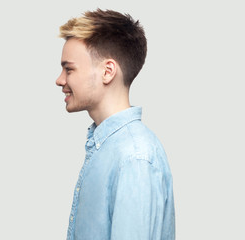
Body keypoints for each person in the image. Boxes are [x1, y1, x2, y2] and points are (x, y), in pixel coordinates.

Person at [55, 9, 175, 240]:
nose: (60, 80)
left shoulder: (134, 157)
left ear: (107, 72)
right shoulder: (109, 147)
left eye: (69, 69)